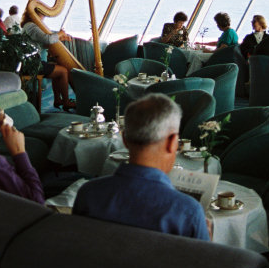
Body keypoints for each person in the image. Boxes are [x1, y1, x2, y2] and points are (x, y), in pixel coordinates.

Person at [73, 94, 210, 240]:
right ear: (172, 142)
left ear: (124, 139)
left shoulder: (88, 194)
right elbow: (200, 255)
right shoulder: (188, 212)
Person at [21, 8, 75, 110]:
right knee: (63, 71)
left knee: (57, 69)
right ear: (36, 15)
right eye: (43, 14)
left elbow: (42, 44)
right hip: (31, 64)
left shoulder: (29, 26)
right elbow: (48, 39)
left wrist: (59, 38)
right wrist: (60, 33)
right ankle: (66, 102)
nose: (43, 17)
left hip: (32, 62)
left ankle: (58, 99)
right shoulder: (31, 26)